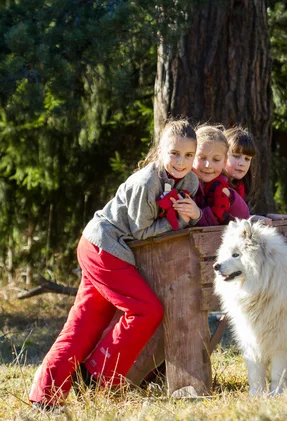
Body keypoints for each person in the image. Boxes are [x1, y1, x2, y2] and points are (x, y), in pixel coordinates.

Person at [29, 119, 201, 411]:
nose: (180, 162)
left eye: (187, 155)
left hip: (113, 250)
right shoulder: (146, 183)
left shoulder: (190, 182)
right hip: (104, 247)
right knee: (146, 310)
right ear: (160, 150)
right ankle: (98, 375)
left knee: (86, 321)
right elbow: (141, 232)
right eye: (174, 153)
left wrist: (193, 213)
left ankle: (45, 397)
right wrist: (185, 221)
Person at [223, 126, 287, 226]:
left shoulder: (240, 187)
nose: (242, 163)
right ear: (221, 154)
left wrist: (268, 216)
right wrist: (250, 219)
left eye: (247, 159)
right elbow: (220, 219)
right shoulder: (216, 185)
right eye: (236, 156)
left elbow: (243, 214)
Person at [191, 125, 250, 225]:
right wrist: (198, 215)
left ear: (224, 162)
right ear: (191, 156)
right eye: (202, 158)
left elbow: (243, 217)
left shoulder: (222, 186)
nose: (208, 165)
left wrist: (231, 197)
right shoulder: (185, 184)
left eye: (216, 159)